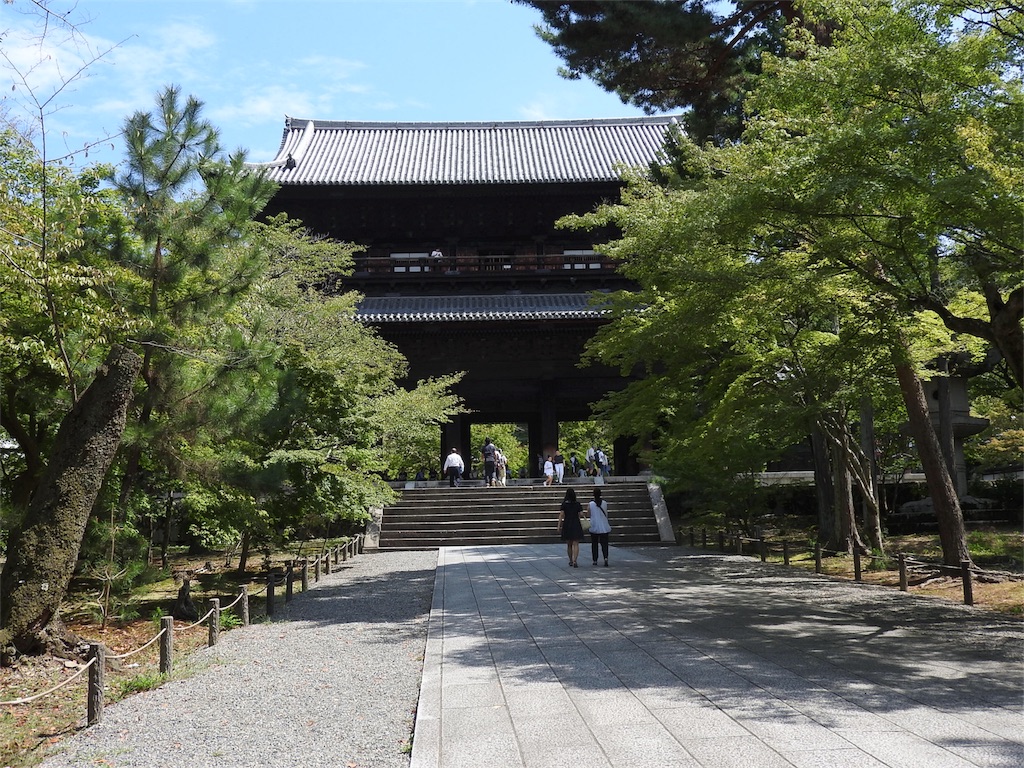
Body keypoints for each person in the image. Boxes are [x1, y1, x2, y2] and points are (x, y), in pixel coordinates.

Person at [557, 487, 585, 567]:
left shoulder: (564, 504)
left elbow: (561, 515)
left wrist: (559, 526)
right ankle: (575, 560)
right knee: (576, 543)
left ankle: (570, 560)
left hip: (567, 524)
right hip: (576, 523)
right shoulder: (577, 504)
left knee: (569, 544)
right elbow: (581, 514)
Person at [589, 488, 611, 566]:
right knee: (604, 544)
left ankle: (595, 560)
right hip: (604, 526)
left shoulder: (591, 504)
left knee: (594, 544)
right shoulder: (604, 503)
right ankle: (605, 558)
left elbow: (589, 513)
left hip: (594, 525)